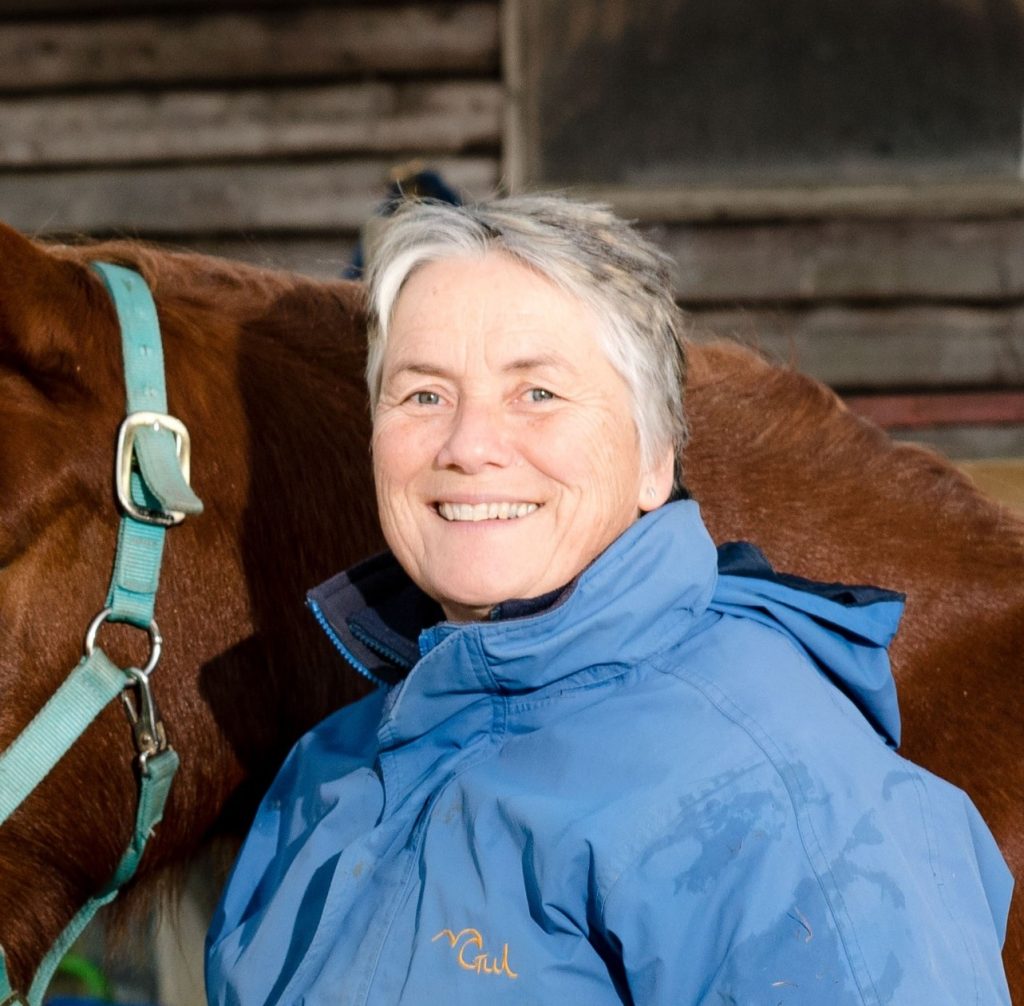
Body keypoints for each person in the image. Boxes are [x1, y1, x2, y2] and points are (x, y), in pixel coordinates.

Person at [205, 196, 1012, 1004]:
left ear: (654, 457)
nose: (468, 446)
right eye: (423, 395)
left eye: (537, 393)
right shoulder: (330, 771)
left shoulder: (776, 793)